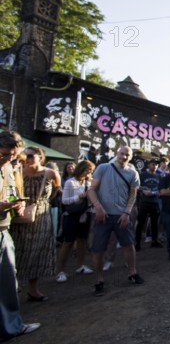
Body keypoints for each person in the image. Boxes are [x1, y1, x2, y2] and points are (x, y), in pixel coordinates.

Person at [87, 146, 144, 296]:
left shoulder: (133, 173)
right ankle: (98, 280)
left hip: (122, 216)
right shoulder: (103, 168)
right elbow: (91, 190)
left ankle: (132, 272)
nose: (124, 157)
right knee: (98, 249)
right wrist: (98, 207)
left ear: (130, 157)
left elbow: (133, 195)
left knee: (128, 245)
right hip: (102, 216)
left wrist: (126, 212)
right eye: (122, 153)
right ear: (116, 154)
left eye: (127, 155)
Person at [0, 131, 40, 339]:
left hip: (4, 229)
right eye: (4, 154)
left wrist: (17, 202)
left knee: (7, 280)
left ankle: (11, 325)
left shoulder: (8, 169)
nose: (7, 159)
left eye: (12, 156)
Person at [11, 146, 61, 302]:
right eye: (25, 156)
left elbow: (55, 191)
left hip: (41, 217)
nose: (27, 159)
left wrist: (40, 203)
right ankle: (14, 287)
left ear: (40, 157)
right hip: (19, 217)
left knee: (37, 253)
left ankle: (33, 290)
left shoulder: (50, 173)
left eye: (31, 156)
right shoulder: (17, 172)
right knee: (17, 252)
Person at [56, 160, 96, 283]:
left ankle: (80, 266)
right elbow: (65, 201)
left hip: (85, 214)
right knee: (68, 242)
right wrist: (80, 196)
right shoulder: (70, 182)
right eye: (88, 170)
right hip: (72, 215)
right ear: (82, 169)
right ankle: (60, 271)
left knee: (82, 240)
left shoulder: (88, 182)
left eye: (91, 170)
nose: (89, 172)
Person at [135, 159, 162, 250]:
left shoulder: (159, 176)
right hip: (144, 202)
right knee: (141, 223)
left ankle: (154, 241)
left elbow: (161, 189)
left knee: (155, 223)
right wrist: (144, 190)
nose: (154, 166)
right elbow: (137, 186)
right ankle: (137, 243)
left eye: (156, 165)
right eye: (152, 164)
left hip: (155, 202)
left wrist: (154, 192)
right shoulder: (142, 175)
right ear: (148, 165)